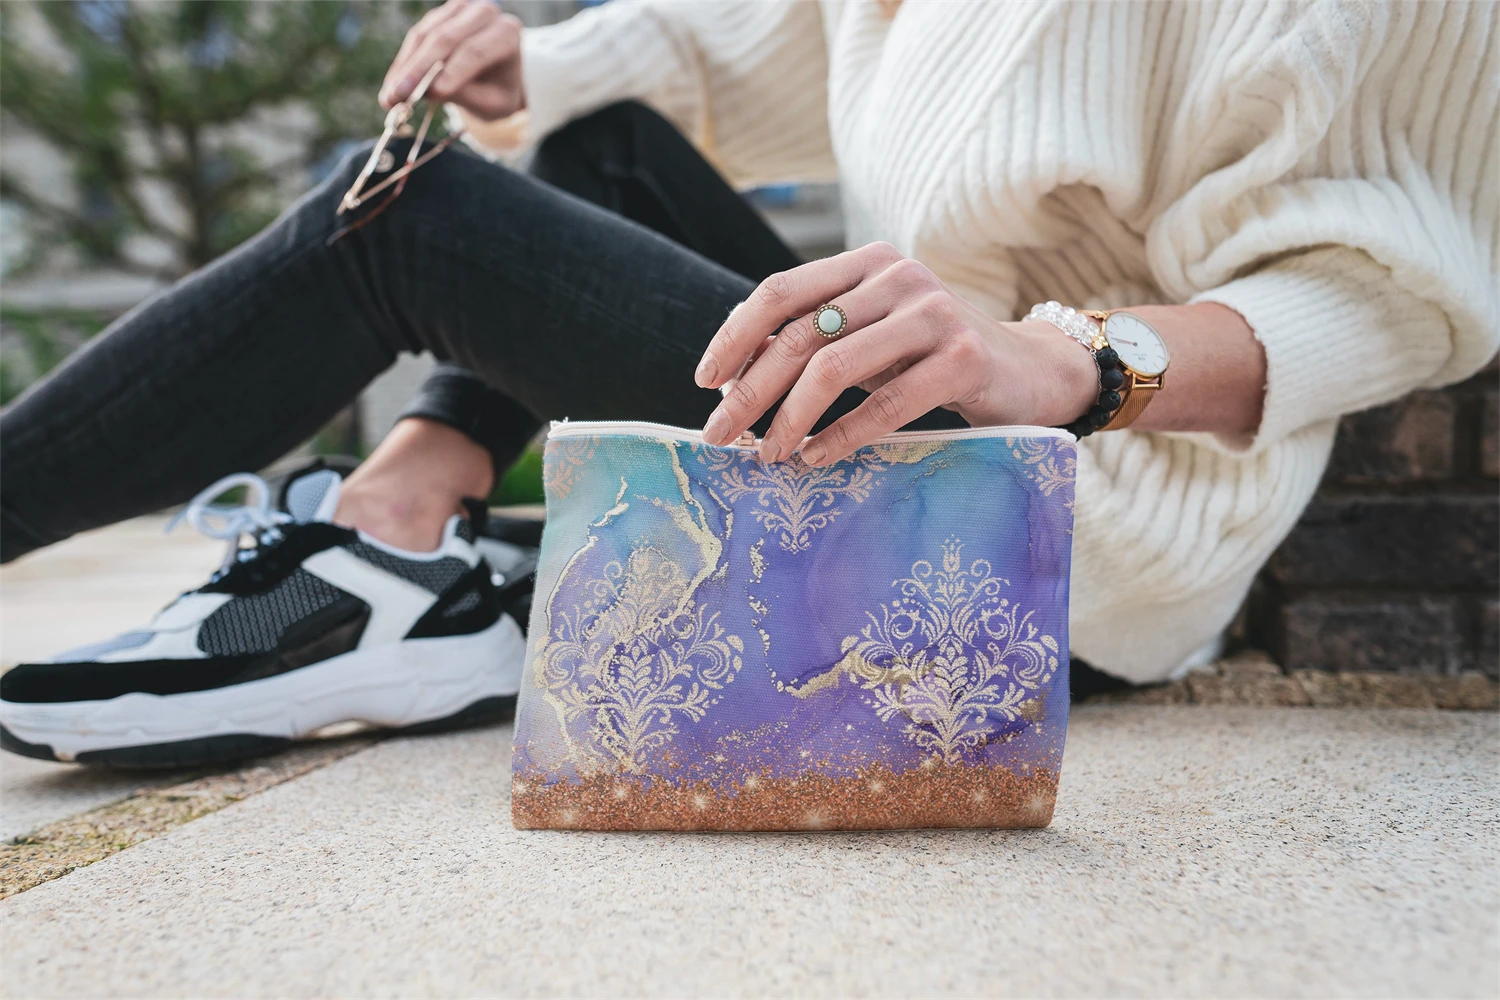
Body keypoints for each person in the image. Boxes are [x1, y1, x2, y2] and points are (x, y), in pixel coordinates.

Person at [1, 0, 1495, 765]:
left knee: (413, 216)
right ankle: (403, 529)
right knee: (599, 140)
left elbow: (1393, 289)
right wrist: (544, 64)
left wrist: (1061, 359)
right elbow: (754, 42)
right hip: (902, 417)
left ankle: (401, 564)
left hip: (1050, 531)